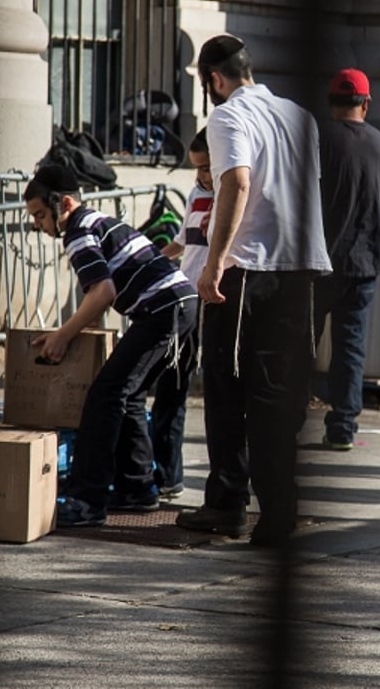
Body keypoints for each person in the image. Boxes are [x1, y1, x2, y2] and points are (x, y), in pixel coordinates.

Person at [174, 34, 331, 547]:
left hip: (248, 269)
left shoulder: (227, 117)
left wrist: (214, 264)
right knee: (277, 394)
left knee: (226, 389)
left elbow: (236, 183)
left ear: (215, 80)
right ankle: (278, 510)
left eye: (207, 86)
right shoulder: (299, 116)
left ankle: (226, 502)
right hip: (299, 269)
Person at [23, 163, 196, 527]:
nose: (38, 225)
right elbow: (102, 293)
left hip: (162, 309)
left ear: (64, 204)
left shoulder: (78, 232)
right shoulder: (98, 221)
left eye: (40, 215)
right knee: (128, 394)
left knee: (105, 395)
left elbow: (103, 292)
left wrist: (63, 335)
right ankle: (136, 489)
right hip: (180, 305)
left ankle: (88, 500)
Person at [313, 68, 380, 450]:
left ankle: (290, 419)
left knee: (303, 341)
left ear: (331, 103)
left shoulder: (317, 140)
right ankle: (342, 428)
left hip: (318, 261)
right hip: (364, 262)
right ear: (366, 103)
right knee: (350, 347)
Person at [148, 129, 214, 499]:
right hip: (185, 298)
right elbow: (185, 242)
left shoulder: (233, 195)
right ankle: (167, 473)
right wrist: (154, 260)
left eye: (206, 168)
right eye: (197, 169)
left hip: (214, 300)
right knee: (170, 387)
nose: (201, 176)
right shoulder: (196, 194)